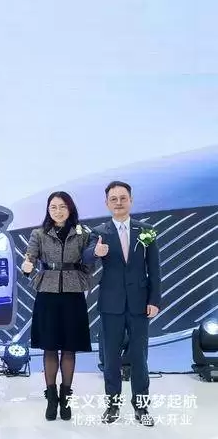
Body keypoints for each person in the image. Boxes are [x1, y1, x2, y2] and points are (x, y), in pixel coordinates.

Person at [83, 181, 161, 426]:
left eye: (123, 198)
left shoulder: (146, 231)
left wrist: (154, 299)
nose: (118, 202)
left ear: (131, 201)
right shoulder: (99, 232)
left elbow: (154, 269)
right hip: (111, 304)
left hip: (139, 303)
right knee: (111, 359)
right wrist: (96, 253)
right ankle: (112, 405)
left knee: (140, 357)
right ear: (107, 203)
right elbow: (86, 257)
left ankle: (141, 407)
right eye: (113, 199)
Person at [22, 191, 93, 421]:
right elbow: (30, 258)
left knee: (69, 348)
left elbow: (89, 261)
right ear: (48, 210)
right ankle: (51, 399)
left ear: (70, 208)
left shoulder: (82, 233)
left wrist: (84, 277)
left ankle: (66, 398)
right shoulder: (39, 233)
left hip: (73, 293)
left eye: (62, 206)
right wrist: (30, 270)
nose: (58, 211)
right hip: (48, 294)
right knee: (50, 347)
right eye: (53, 207)